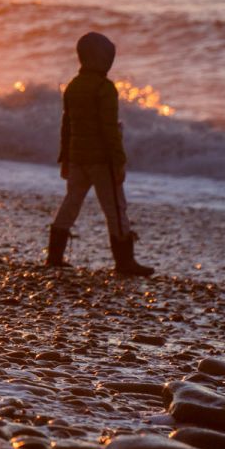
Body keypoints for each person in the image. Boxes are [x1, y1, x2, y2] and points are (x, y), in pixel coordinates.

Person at [47, 31, 153, 276]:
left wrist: (65, 157)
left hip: (77, 158)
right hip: (102, 161)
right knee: (116, 208)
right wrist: (118, 161)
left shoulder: (73, 87)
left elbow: (67, 125)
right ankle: (125, 261)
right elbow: (109, 130)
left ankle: (54, 256)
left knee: (70, 204)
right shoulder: (105, 89)